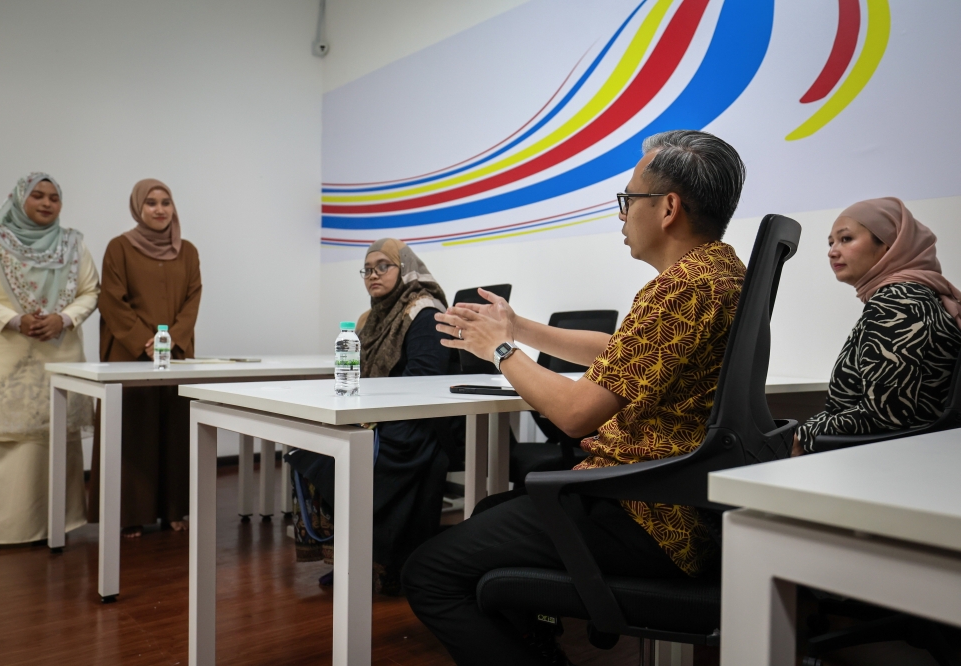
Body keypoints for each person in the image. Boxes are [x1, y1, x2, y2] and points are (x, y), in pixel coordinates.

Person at [401, 130, 748, 666]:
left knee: (428, 572)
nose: (622, 215)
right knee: (495, 508)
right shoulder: (718, 272)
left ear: (668, 208)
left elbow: (574, 414)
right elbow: (624, 350)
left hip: (649, 512)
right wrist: (519, 326)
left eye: (628, 200)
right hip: (675, 500)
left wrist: (501, 350)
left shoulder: (686, 287)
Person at [287, 238, 454, 595]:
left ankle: (379, 561)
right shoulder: (374, 315)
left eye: (383, 266)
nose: (372, 275)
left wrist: (371, 410)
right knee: (311, 445)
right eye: (367, 269)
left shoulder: (424, 312)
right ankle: (349, 557)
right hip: (384, 415)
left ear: (404, 267)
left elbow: (426, 380)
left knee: (338, 457)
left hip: (418, 425)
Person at [0, 173, 99, 552]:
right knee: (2, 444)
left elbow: (90, 291)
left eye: (54, 197)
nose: (46, 203)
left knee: (52, 441)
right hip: (3, 354)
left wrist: (64, 318)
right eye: (37, 196)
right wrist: (13, 319)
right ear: (19, 200)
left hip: (58, 352)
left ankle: (56, 523)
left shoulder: (73, 244)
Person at [792, 198, 961, 455]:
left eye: (846, 239)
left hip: (888, 463)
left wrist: (803, 436)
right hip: (899, 456)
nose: (832, 251)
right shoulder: (913, 296)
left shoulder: (898, 303)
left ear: (888, 245)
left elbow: (884, 415)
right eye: (830, 243)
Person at [87, 179, 201, 537]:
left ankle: (173, 510)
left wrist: (172, 339)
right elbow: (111, 300)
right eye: (151, 202)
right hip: (129, 353)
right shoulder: (119, 248)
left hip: (175, 355)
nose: (159, 209)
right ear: (138, 208)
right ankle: (127, 513)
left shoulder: (188, 251)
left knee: (174, 429)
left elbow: (193, 298)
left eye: (166, 202)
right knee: (132, 434)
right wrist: (145, 342)